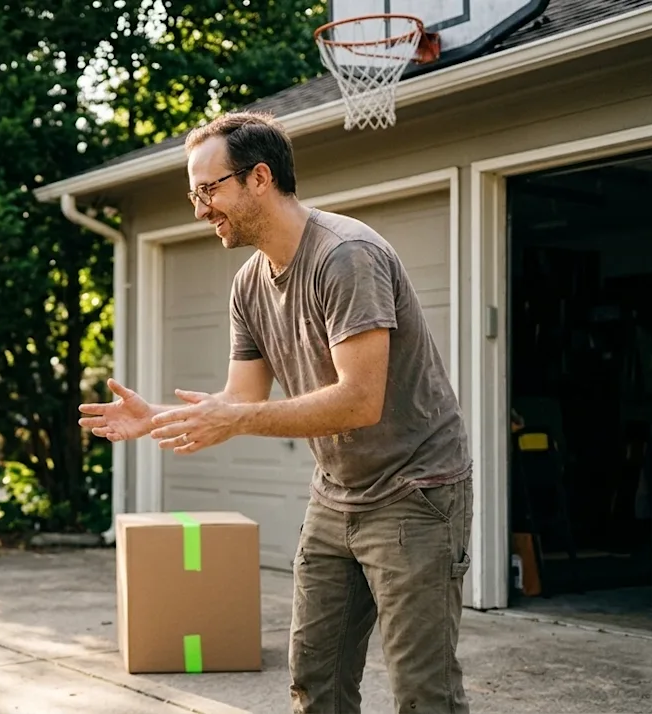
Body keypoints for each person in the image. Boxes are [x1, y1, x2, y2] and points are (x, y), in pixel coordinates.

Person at [78, 111, 473, 714]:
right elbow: (240, 400)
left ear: (259, 177)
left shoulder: (346, 257)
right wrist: (155, 417)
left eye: (208, 190)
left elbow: (359, 401)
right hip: (337, 495)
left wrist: (235, 419)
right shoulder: (248, 285)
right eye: (193, 193)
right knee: (315, 684)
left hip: (415, 493)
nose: (199, 209)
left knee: (425, 694)